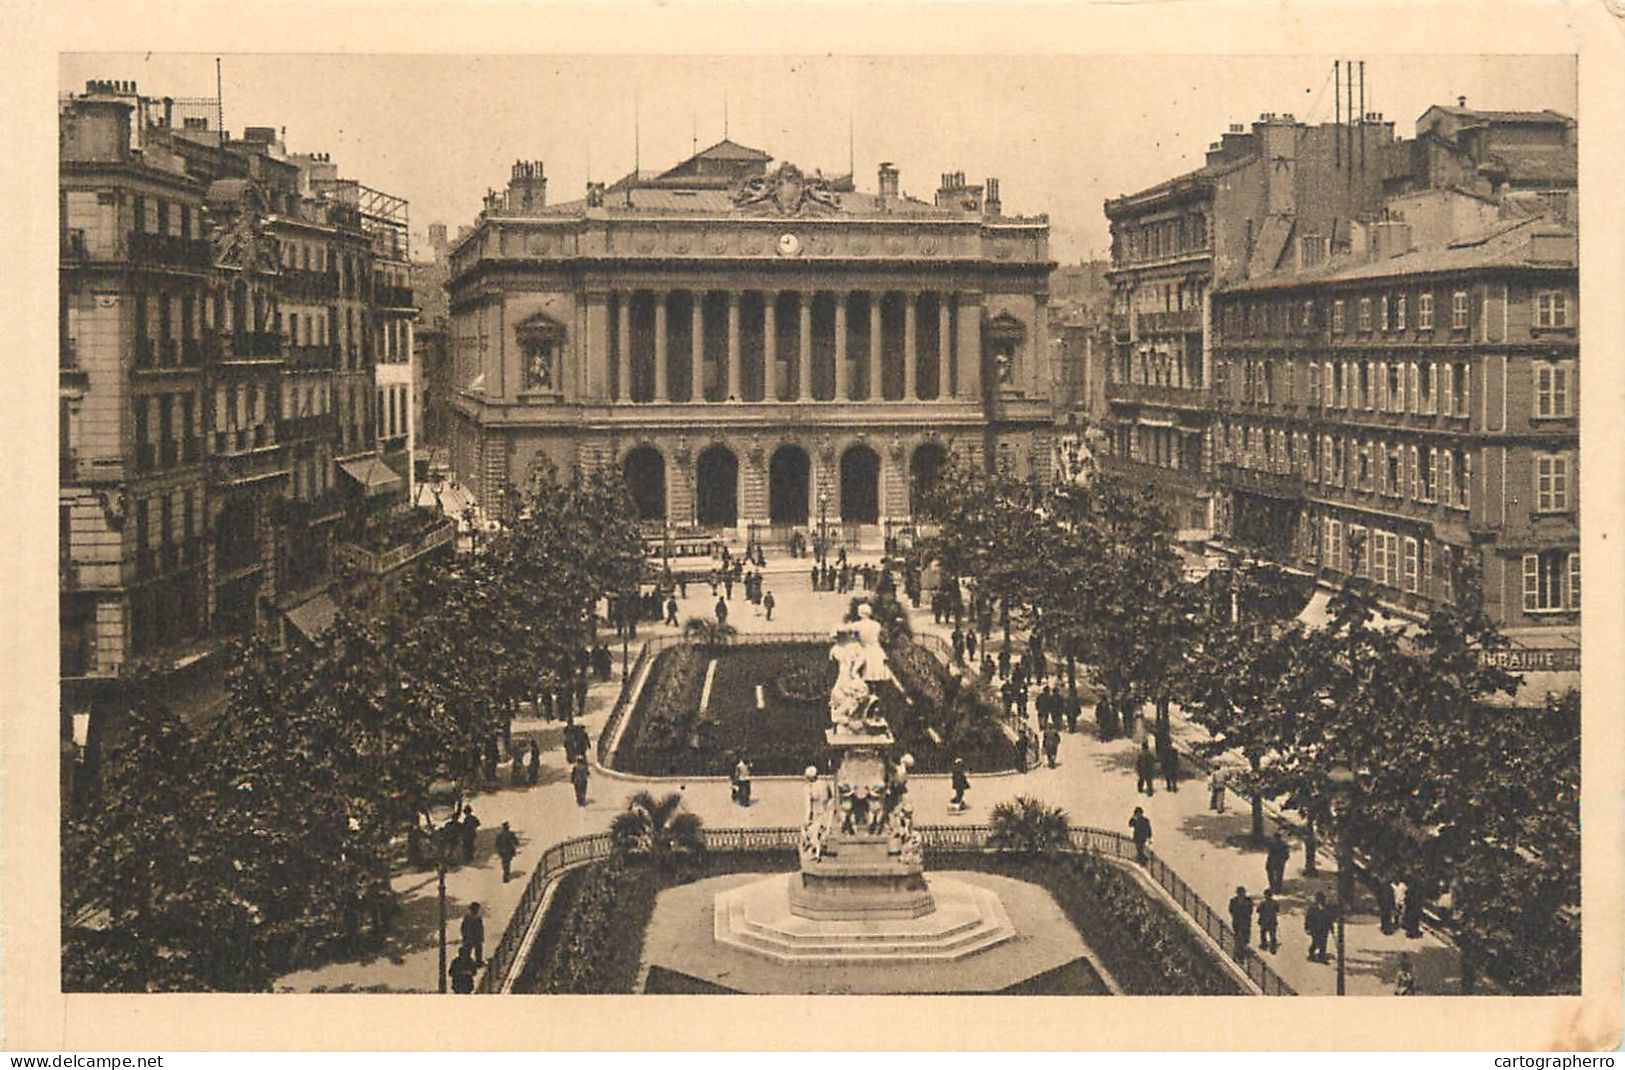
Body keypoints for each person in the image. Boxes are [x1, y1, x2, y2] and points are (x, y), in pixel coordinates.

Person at [1304, 892, 1334, 963]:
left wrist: (1331, 928)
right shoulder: (1312, 909)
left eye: (1323, 899)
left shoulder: (1327, 908)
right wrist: (1307, 927)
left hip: (1324, 928)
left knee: (1323, 942)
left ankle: (1321, 956)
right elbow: (1308, 919)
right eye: (1319, 899)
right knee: (1315, 941)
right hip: (1315, 928)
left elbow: (1329, 919)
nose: (1322, 901)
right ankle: (1311, 954)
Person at [1228, 886, 1254, 959]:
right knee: (1238, 936)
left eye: (1242, 893)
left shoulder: (1248, 900)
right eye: (1240, 893)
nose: (1242, 895)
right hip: (1237, 921)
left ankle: (1242, 948)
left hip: (1246, 921)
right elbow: (1231, 910)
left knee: (1246, 935)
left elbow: (1250, 910)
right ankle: (1239, 951)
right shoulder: (1233, 901)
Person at [1257, 888, 1280, 953]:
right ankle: (1272, 945)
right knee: (1272, 933)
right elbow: (1277, 910)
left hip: (1264, 920)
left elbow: (1258, 910)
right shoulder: (1274, 903)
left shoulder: (1262, 903)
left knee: (1263, 933)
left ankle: (1264, 944)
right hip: (1272, 920)